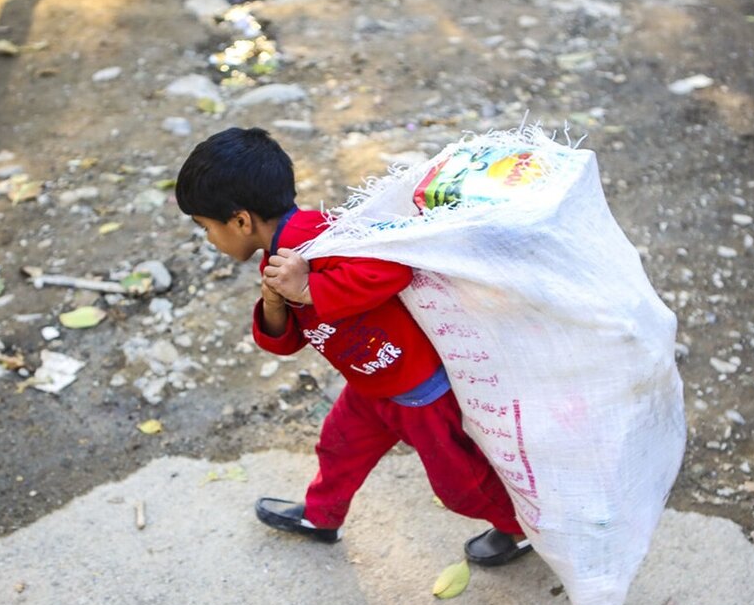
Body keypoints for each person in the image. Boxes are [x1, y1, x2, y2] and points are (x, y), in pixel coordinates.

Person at [175, 127, 531, 566]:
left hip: (421, 394)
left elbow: (390, 272)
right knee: (338, 447)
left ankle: (522, 528)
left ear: (241, 220)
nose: (210, 239)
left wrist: (308, 289)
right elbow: (286, 341)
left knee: (462, 487)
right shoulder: (278, 258)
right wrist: (275, 303)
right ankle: (321, 517)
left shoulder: (322, 237)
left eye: (206, 227)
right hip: (368, 386)